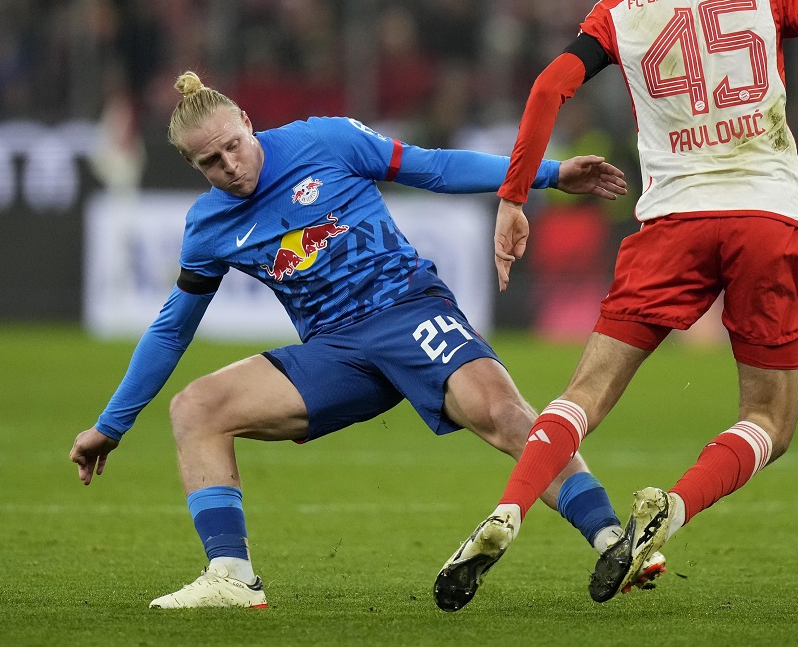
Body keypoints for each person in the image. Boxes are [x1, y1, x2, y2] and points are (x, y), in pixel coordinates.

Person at [434, 0, 798, 609]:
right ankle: (672, 510)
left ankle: (508, 510)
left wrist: (516, 197)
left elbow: (548, 87)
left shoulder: (622, 8)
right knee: (770, 421)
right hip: (763, 219)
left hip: (672, 222)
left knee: (582, 394)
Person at [68, 71, 668, 609]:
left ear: (250, 124)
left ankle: (614, 541)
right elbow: (173, 328)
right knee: (195, 408)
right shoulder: (207, 227)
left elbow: (431, 167)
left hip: (406, 310)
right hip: (334, 353)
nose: (230, 165)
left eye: (234, 145)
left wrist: (549, 175)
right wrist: (111, 426)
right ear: (193, 167)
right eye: (211, 162)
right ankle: (231, 575)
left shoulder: (322, 141)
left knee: (506, 416)